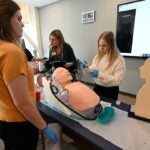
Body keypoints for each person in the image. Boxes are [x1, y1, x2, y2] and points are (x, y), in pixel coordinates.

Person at [0, 1, 58, 150]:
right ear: (5, 20)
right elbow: (22, 103)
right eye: (18, 19)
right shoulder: (12, 52)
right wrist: (43, 126)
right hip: (20, 123)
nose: (23, 24)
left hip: (5, 118)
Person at [79, 31, 125, 101]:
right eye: (99, 45)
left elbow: (118, 80)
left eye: (104, 46)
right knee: (95, 105)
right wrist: (86, 68)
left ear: (111, 45)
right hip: (98, 87)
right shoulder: (98, 56)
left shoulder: (119, 60)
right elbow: (92, 71)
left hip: (110, 91)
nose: (101, 48)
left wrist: (100, 75)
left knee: (108, 108)